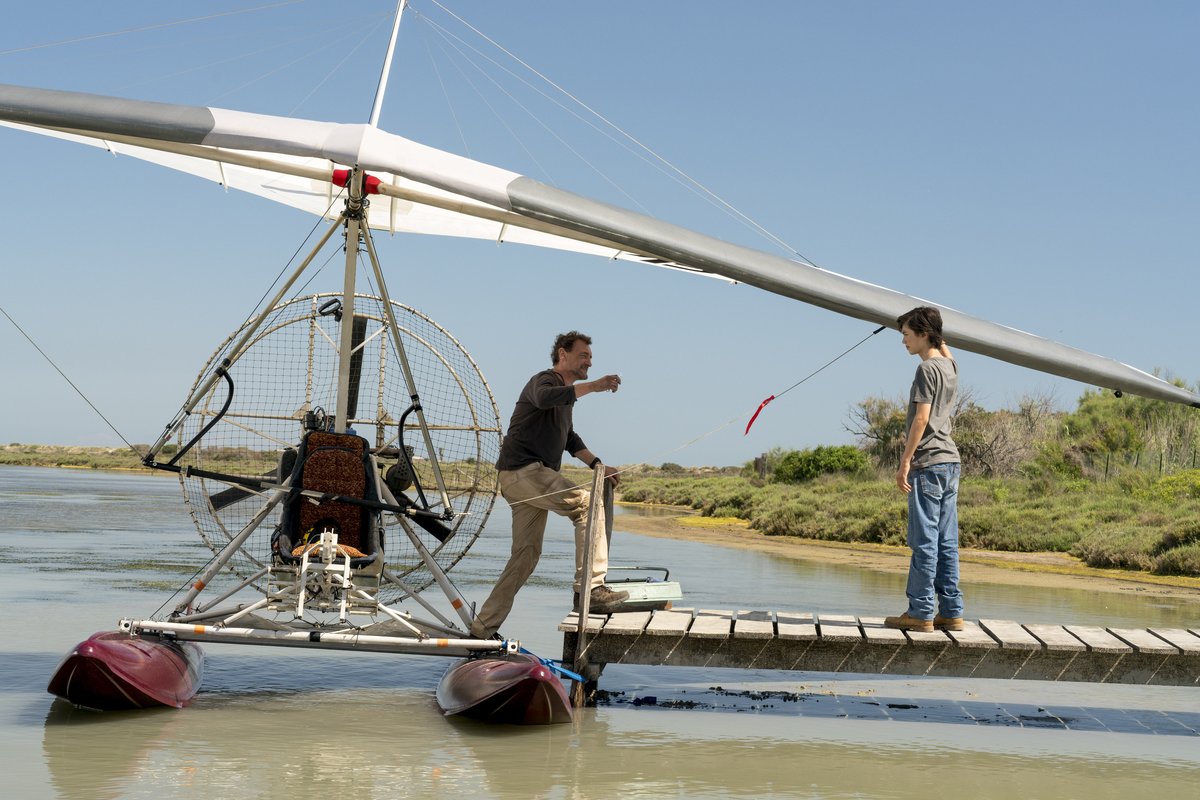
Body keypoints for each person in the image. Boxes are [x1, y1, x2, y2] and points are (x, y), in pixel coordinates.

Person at [470, 331, 629, 639]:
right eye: (583, 356)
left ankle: (481, 629)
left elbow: (568, 438)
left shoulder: (566, 398)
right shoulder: (543, 381)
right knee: (586, 502)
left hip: (527, 480)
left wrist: (598, 465)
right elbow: (544, 399)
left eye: (591, 359)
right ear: (562, 354)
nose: (589, 363)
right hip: (524, 472)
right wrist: (594, 388)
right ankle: (592, 590)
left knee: (526, 556)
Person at [885, 306, 964, 633]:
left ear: (923, 334)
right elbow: (947, 350)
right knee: (946, 540)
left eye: (906, 334)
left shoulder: (926, 371)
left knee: (924, 540)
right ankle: (952, 611)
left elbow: (921, 418)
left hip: (929, 462)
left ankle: (920, 612)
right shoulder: (950, 366)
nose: (903, 340)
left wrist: (905, 461)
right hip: (950, 463)